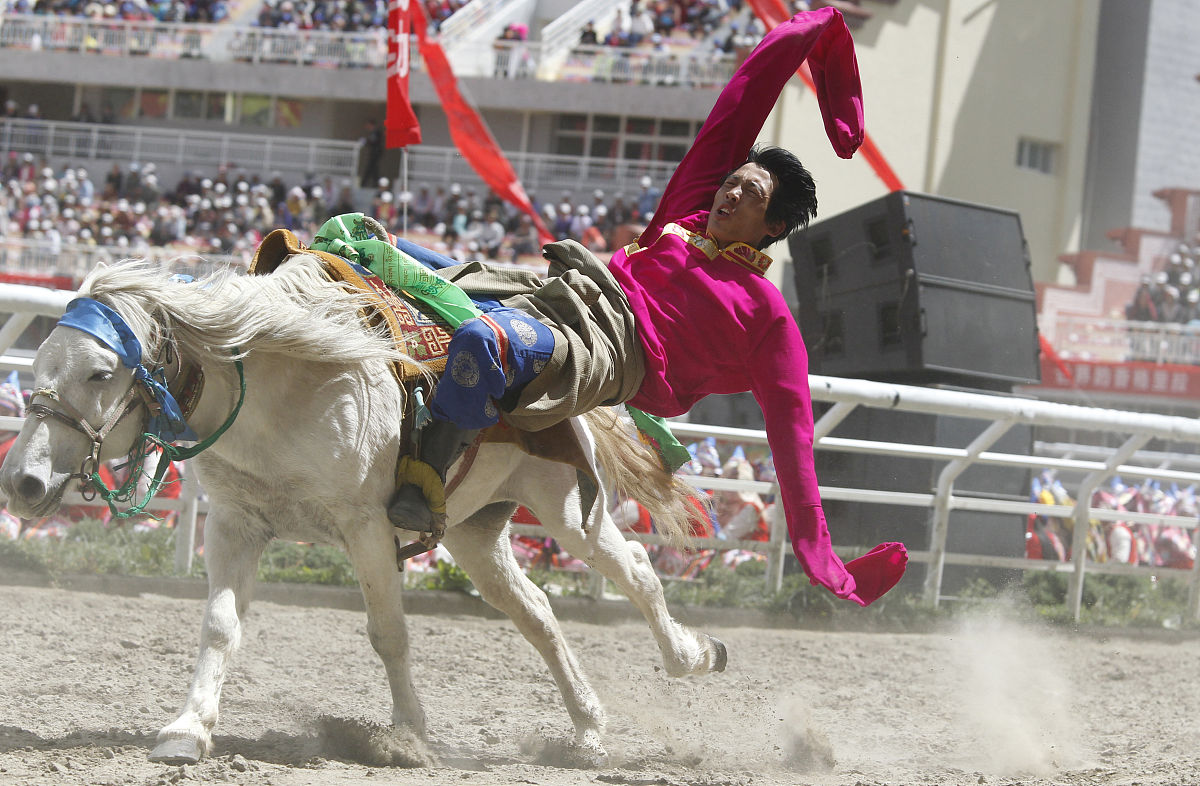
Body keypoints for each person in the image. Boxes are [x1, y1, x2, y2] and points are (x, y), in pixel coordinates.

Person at [377, 7, 906, 606]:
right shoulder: (685, 215)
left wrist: (825, 560)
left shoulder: (769, 317)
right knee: (377, 247)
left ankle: (421, 492)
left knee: (479, 342)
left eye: (749, 193)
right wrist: (823, 29)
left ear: (774, 224)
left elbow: (794, 441)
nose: (729, 191)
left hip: (612, 351)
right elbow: (748, 90)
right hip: (565, 288)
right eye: (732, 180)